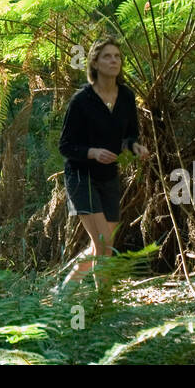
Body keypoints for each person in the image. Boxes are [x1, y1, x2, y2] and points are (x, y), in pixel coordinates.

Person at [57, 37, 148, 290]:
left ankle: (63, 293)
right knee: (103, 242)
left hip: (108, 176)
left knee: (102, 246)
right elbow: (65, 146)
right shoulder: (81, 101)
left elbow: (130, 135)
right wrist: (93, 152)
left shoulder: (127, 96)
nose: (114, 61)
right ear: (94, 63)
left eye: (117, 56)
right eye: (107, 56)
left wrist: (135, 147)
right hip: (81, 176)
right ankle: (102, 302)